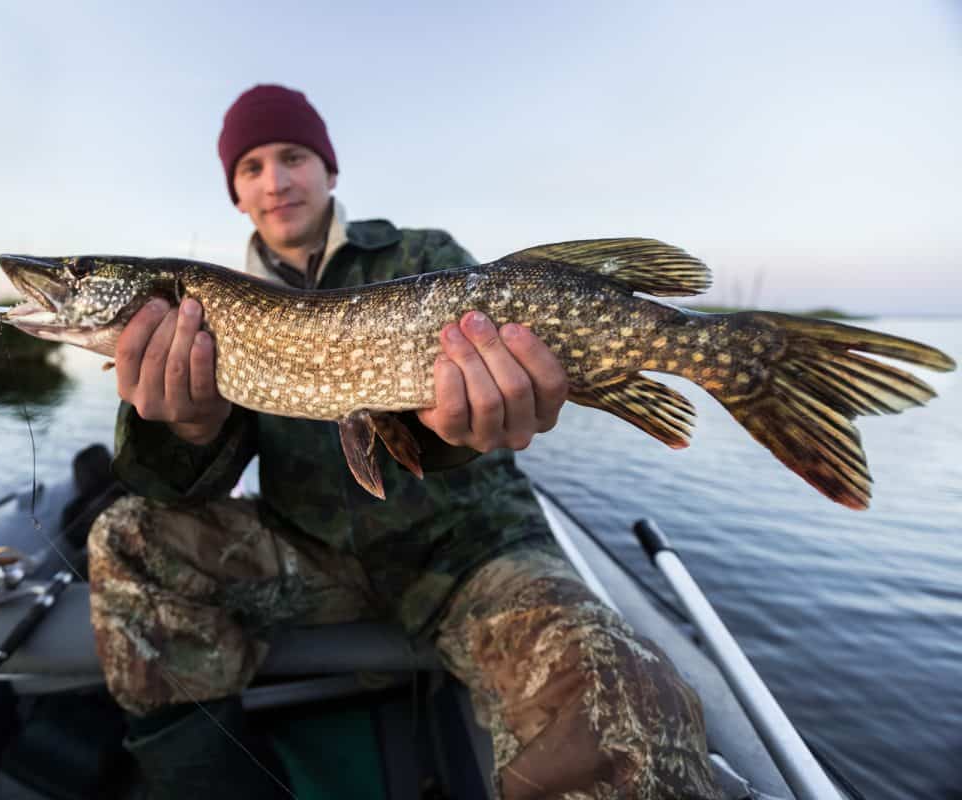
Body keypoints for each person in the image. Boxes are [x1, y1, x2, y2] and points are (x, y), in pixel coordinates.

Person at [87, 84, 722, 799]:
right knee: (126, 536)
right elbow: (179, 485)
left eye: (293, 156)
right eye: (251, 167)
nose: (276, 181)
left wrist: (448, 432)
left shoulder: (422, 254)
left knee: (614, 689)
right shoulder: (207, 307)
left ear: (329, 169)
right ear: (236, 194)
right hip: (314, 552)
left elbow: (468, 412)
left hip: (469, 550)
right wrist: (187, 426)